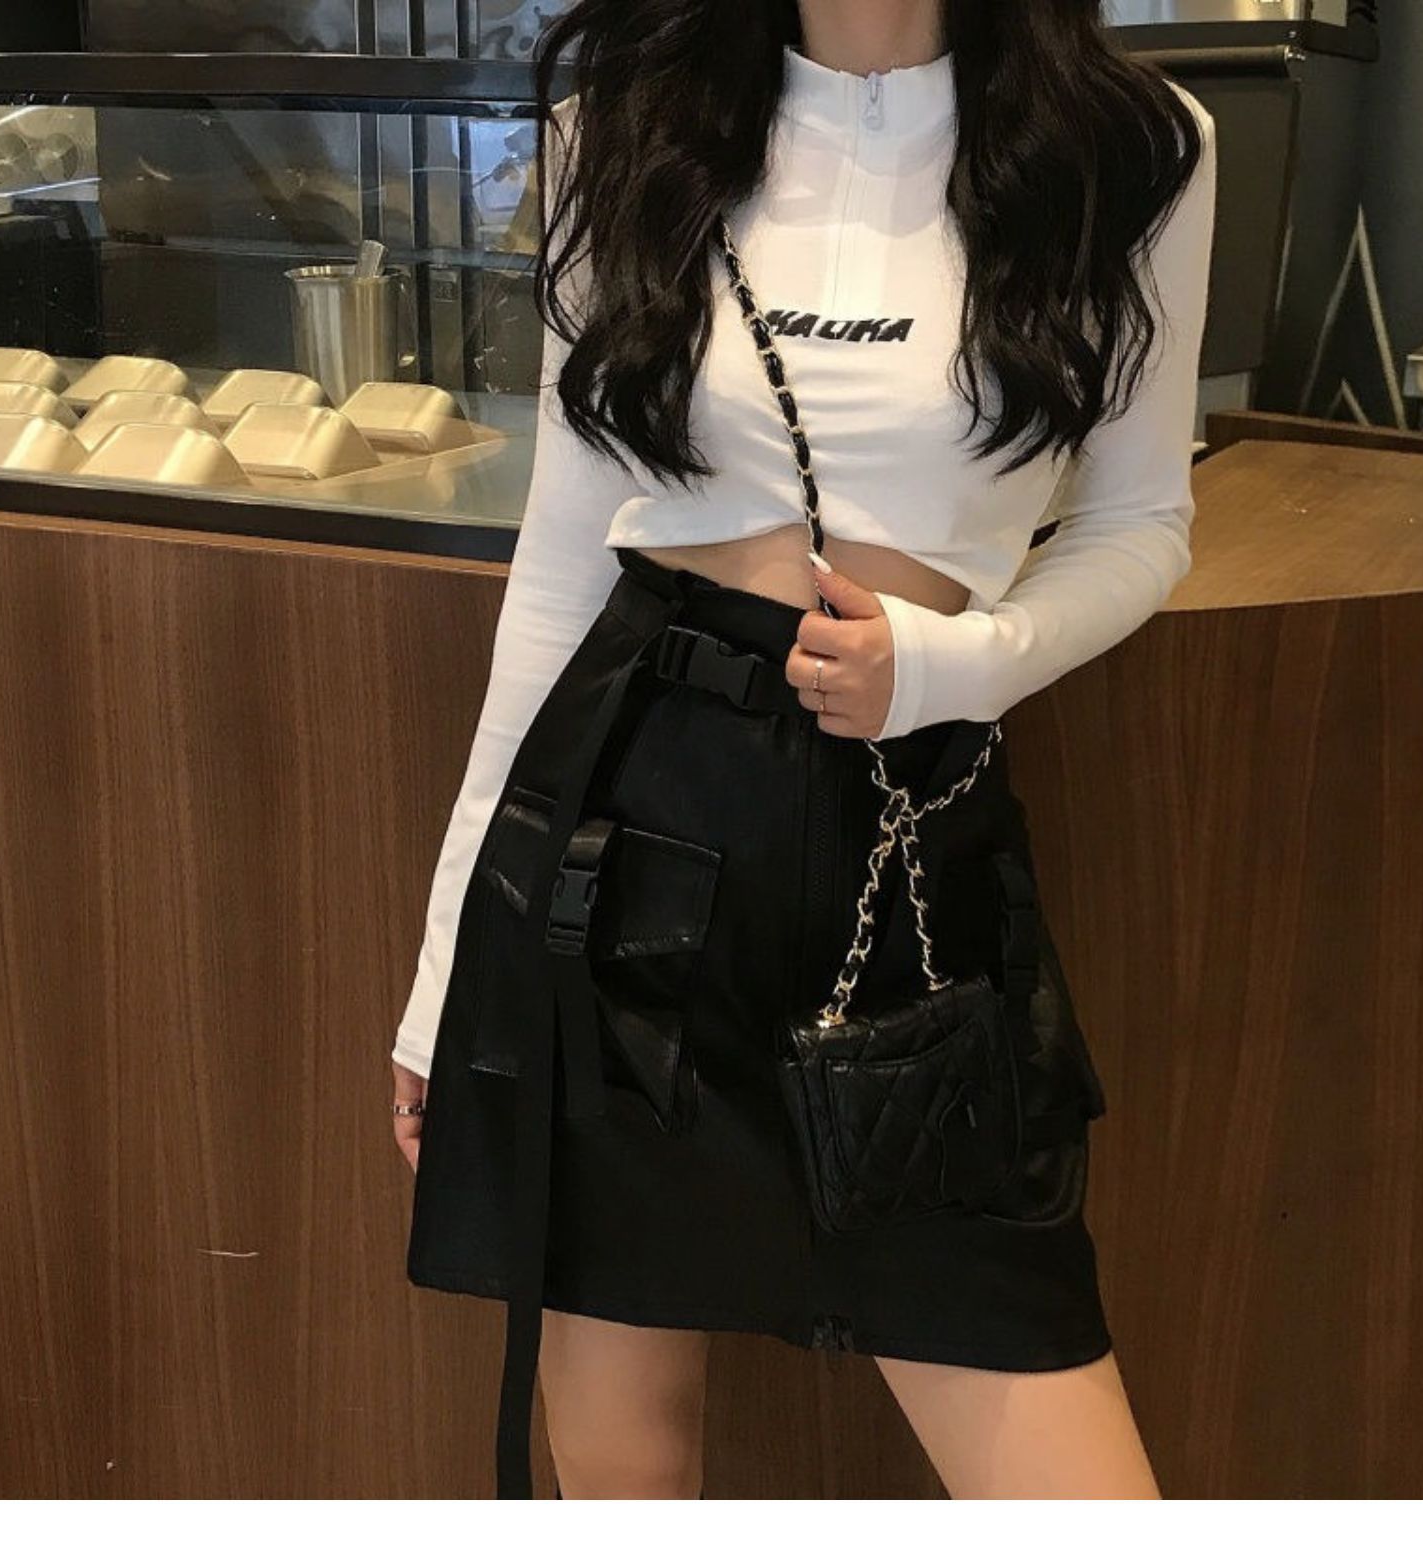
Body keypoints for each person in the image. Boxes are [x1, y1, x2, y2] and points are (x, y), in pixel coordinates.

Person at [390, 0, 1216, 1501]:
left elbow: (1142, 517)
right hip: (630, 837)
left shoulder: (1132, 147)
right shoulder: (624, 128)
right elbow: (565, 562)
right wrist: (452, 971)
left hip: (910, 844)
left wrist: (959, 664)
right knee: (626, 1475)